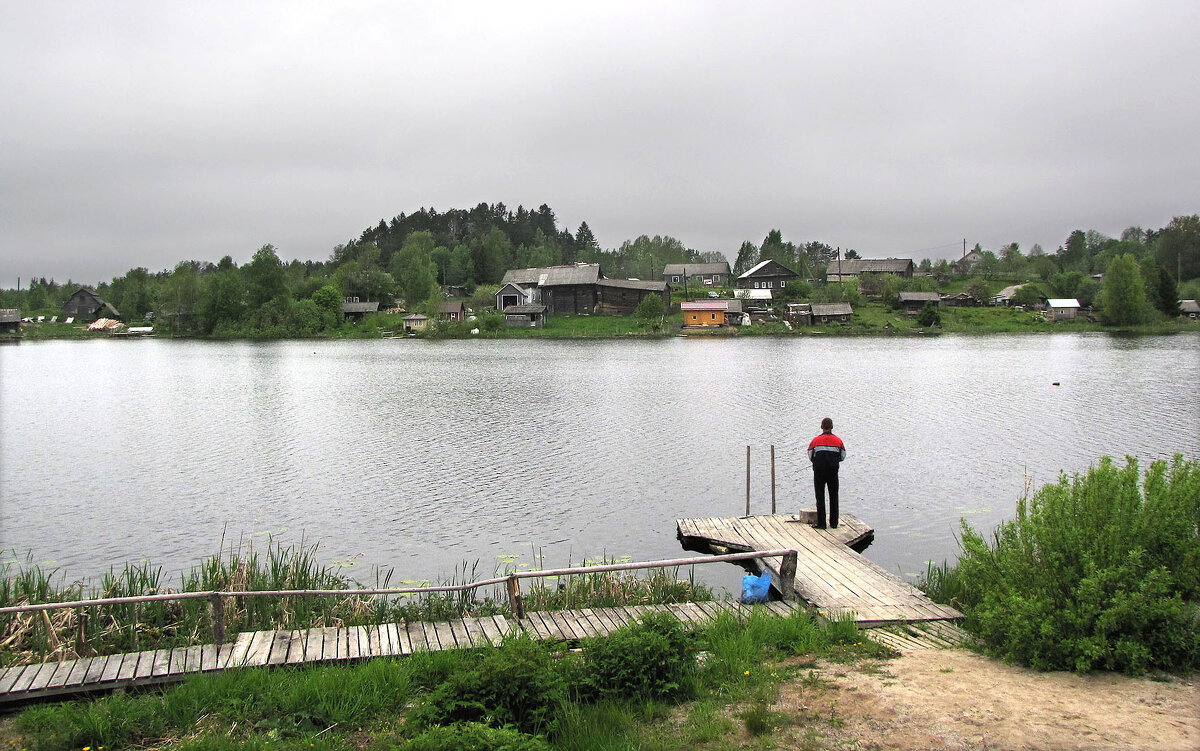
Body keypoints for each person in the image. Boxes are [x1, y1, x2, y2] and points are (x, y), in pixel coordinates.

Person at [807, 417, 846, 529]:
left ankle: (822, 523)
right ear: (832, 427)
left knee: (820, 496)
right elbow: (842, 456)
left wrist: (816, 461)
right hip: (833, 471)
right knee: (834, 496)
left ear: (821, 427)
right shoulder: (838, 441)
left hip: (819, 471)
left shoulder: (815, 441)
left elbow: (810, 454)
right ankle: (834, 523)